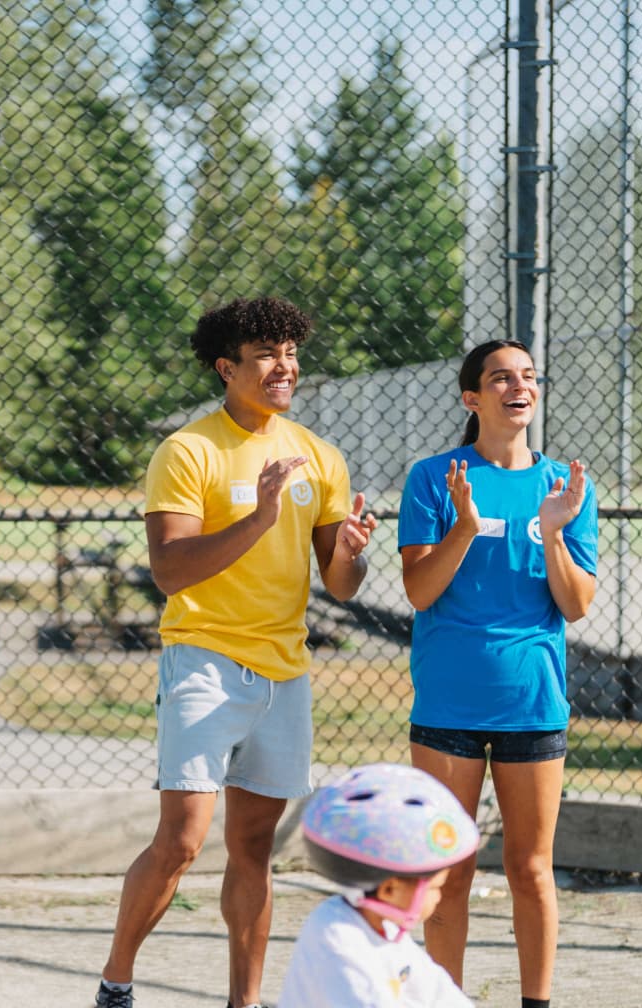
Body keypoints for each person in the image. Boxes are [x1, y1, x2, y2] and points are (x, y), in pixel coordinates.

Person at [95, 296, 378, 1008]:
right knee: (183, 840)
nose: (284, 367)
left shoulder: (319, 455)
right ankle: (116, 981)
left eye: (289, 353)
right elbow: (171, 570)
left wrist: (351, 555)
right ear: (227, 368)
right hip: (204, 661)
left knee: (254, 850)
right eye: (265, 356)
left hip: (285, 673)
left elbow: (340, 587)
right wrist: (259, 517)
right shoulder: (188, 450)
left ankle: (244, 1002)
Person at [397, 339, 598, 1008]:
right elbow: (420, 592)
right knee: (448, 873)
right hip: (449, 705)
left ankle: (536, 1002)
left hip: (532, 704)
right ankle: (446, 999)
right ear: (472, 397)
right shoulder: (435, 476)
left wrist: (555, 529)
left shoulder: (565, 487)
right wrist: (463, 526)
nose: (520, 386)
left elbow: (575, 606)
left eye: (529, 376)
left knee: (530, 869)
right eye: (502, 377)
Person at [278, 762, 480, 1007]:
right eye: (435, 887)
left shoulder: (387, 931)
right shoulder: (339, 940)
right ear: (389, 890)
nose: (439, 897)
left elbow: (439, 994)